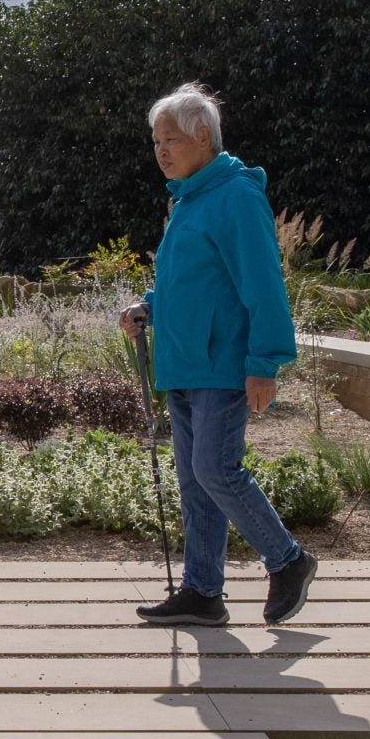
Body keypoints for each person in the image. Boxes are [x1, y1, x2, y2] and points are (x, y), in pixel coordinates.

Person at [121, 82, 320, 626]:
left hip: (223, 364)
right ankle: (203, 592)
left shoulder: (235, 196)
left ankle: (288, 560)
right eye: (156, 140)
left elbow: (262, 285)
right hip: (184, 363)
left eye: (172, 139)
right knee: (195, 478)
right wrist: (150, 307)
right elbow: (195, 283)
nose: (161, 150)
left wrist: (264, 363)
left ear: (203, 136)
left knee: (214, 467)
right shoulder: (189, 199)